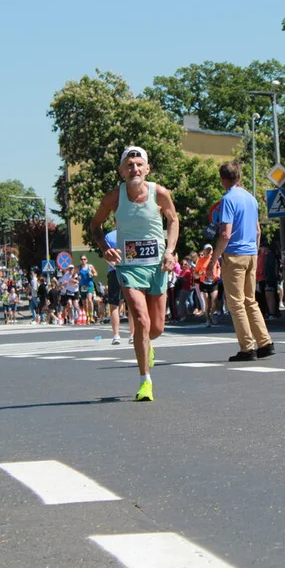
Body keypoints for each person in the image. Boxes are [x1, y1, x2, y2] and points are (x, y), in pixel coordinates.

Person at [90, 146, 179, 402]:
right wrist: (106, 249)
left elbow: (173, 221)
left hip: (157, 267)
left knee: (157, 327)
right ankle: (145, 382)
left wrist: (170, 251)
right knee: (140, 319)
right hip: (129, 267)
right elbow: (95, 225)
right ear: (121, 171)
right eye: (129, 165)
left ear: (147, 169)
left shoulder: (159, 193)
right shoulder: (113, 197)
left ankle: (146, 346)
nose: (135, 169)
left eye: (139, 164)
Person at [207, 161, 273, 362]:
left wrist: (214, 260)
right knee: (250, 300)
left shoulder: (228, 199)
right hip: (251, 253)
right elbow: (258, 230)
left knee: (236, 303)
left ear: (222, 179)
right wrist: (254, 250)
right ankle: (265, 342)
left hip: (234, 254)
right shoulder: (251, 198)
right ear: (240, 177)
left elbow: (225, 234)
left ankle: (247, 347)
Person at [102, 230, 124, 344]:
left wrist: (115, 266)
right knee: (132, 303)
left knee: (114, 304)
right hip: (129, 270)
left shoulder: (109, 236)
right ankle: (133, 334)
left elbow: (106, 256)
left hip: (113, 271)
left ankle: (116, 335)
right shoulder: (131, 232)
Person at [196, 245, 221, 327]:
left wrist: (217, 275)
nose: (209, 251)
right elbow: (195, 273)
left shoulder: (214, 259)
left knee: (214, 300)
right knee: (207, 302)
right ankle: (208, 319)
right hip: (204, 283)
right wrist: (200, 273)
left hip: (213, 282)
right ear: (204, 251)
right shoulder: (200, 260)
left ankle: (212, 314)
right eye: (207, 250)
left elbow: (218, 268)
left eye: (210, 250)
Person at [77, 254, 99, 322]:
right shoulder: (78, 267)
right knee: (84, 302)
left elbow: (96, 274)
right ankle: (87, 316)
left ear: (87, 260)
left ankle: (91, 316)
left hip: (89, 285)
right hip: (82, 286)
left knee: (89, 300)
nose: (83, 260)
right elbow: (74, 276)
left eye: (84, 259)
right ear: (80, 261)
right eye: (82, 259)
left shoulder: (90, 266)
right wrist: (77, 277)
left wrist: (92, 274)